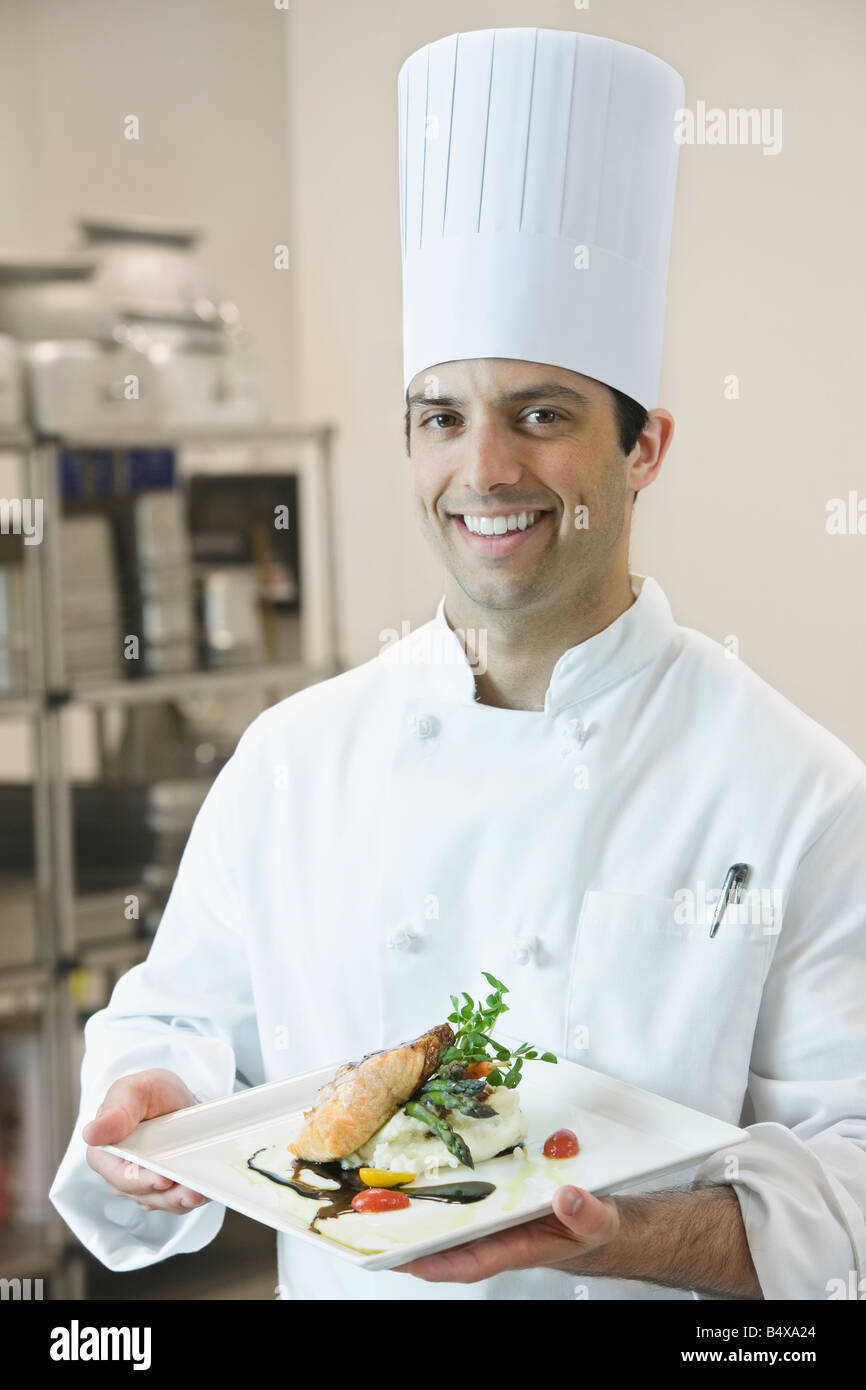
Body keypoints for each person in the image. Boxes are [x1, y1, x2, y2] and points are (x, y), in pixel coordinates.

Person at [50, 28, 866, 1302]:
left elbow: (853, 1195)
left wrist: (616, 1235)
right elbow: (177, 1031)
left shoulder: (799, 790)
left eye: (539, 414)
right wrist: (147, 1105)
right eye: (442, 416)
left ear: (642, 445)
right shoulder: (292, 761)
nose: (483, 472)